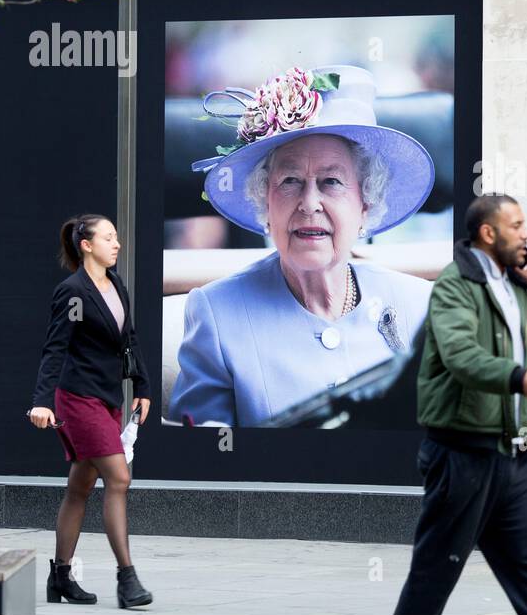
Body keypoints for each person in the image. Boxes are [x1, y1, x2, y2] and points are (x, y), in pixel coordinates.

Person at [168, 65, 435, 427]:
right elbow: (202, 469)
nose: (309, 203)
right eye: (290, 180)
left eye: (331, 181)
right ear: (266, 202)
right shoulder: (216, 315)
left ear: (365, 204)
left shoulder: (419, 305)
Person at [394, 194, 527, 615]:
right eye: (517, 225)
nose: (526, 234)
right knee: (434, 576)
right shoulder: (456, 284)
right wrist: (519, 379)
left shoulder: (517, 285)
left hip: (517, 458)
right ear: (488, 233)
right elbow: (460, 355)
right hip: (462, 457)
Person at [28, 214, 153, 609]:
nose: (116, 244)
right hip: (77, 399)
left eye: (116, 237)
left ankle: (60, 577)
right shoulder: (73, 292)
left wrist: (144, 386)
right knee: (118, 477)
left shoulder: (116, 285)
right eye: (109, 238)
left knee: (80, 487)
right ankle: (127, 579)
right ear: (87, 245)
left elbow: (128, 339)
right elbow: (55, 349)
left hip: (107, 397)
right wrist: (41, 401)